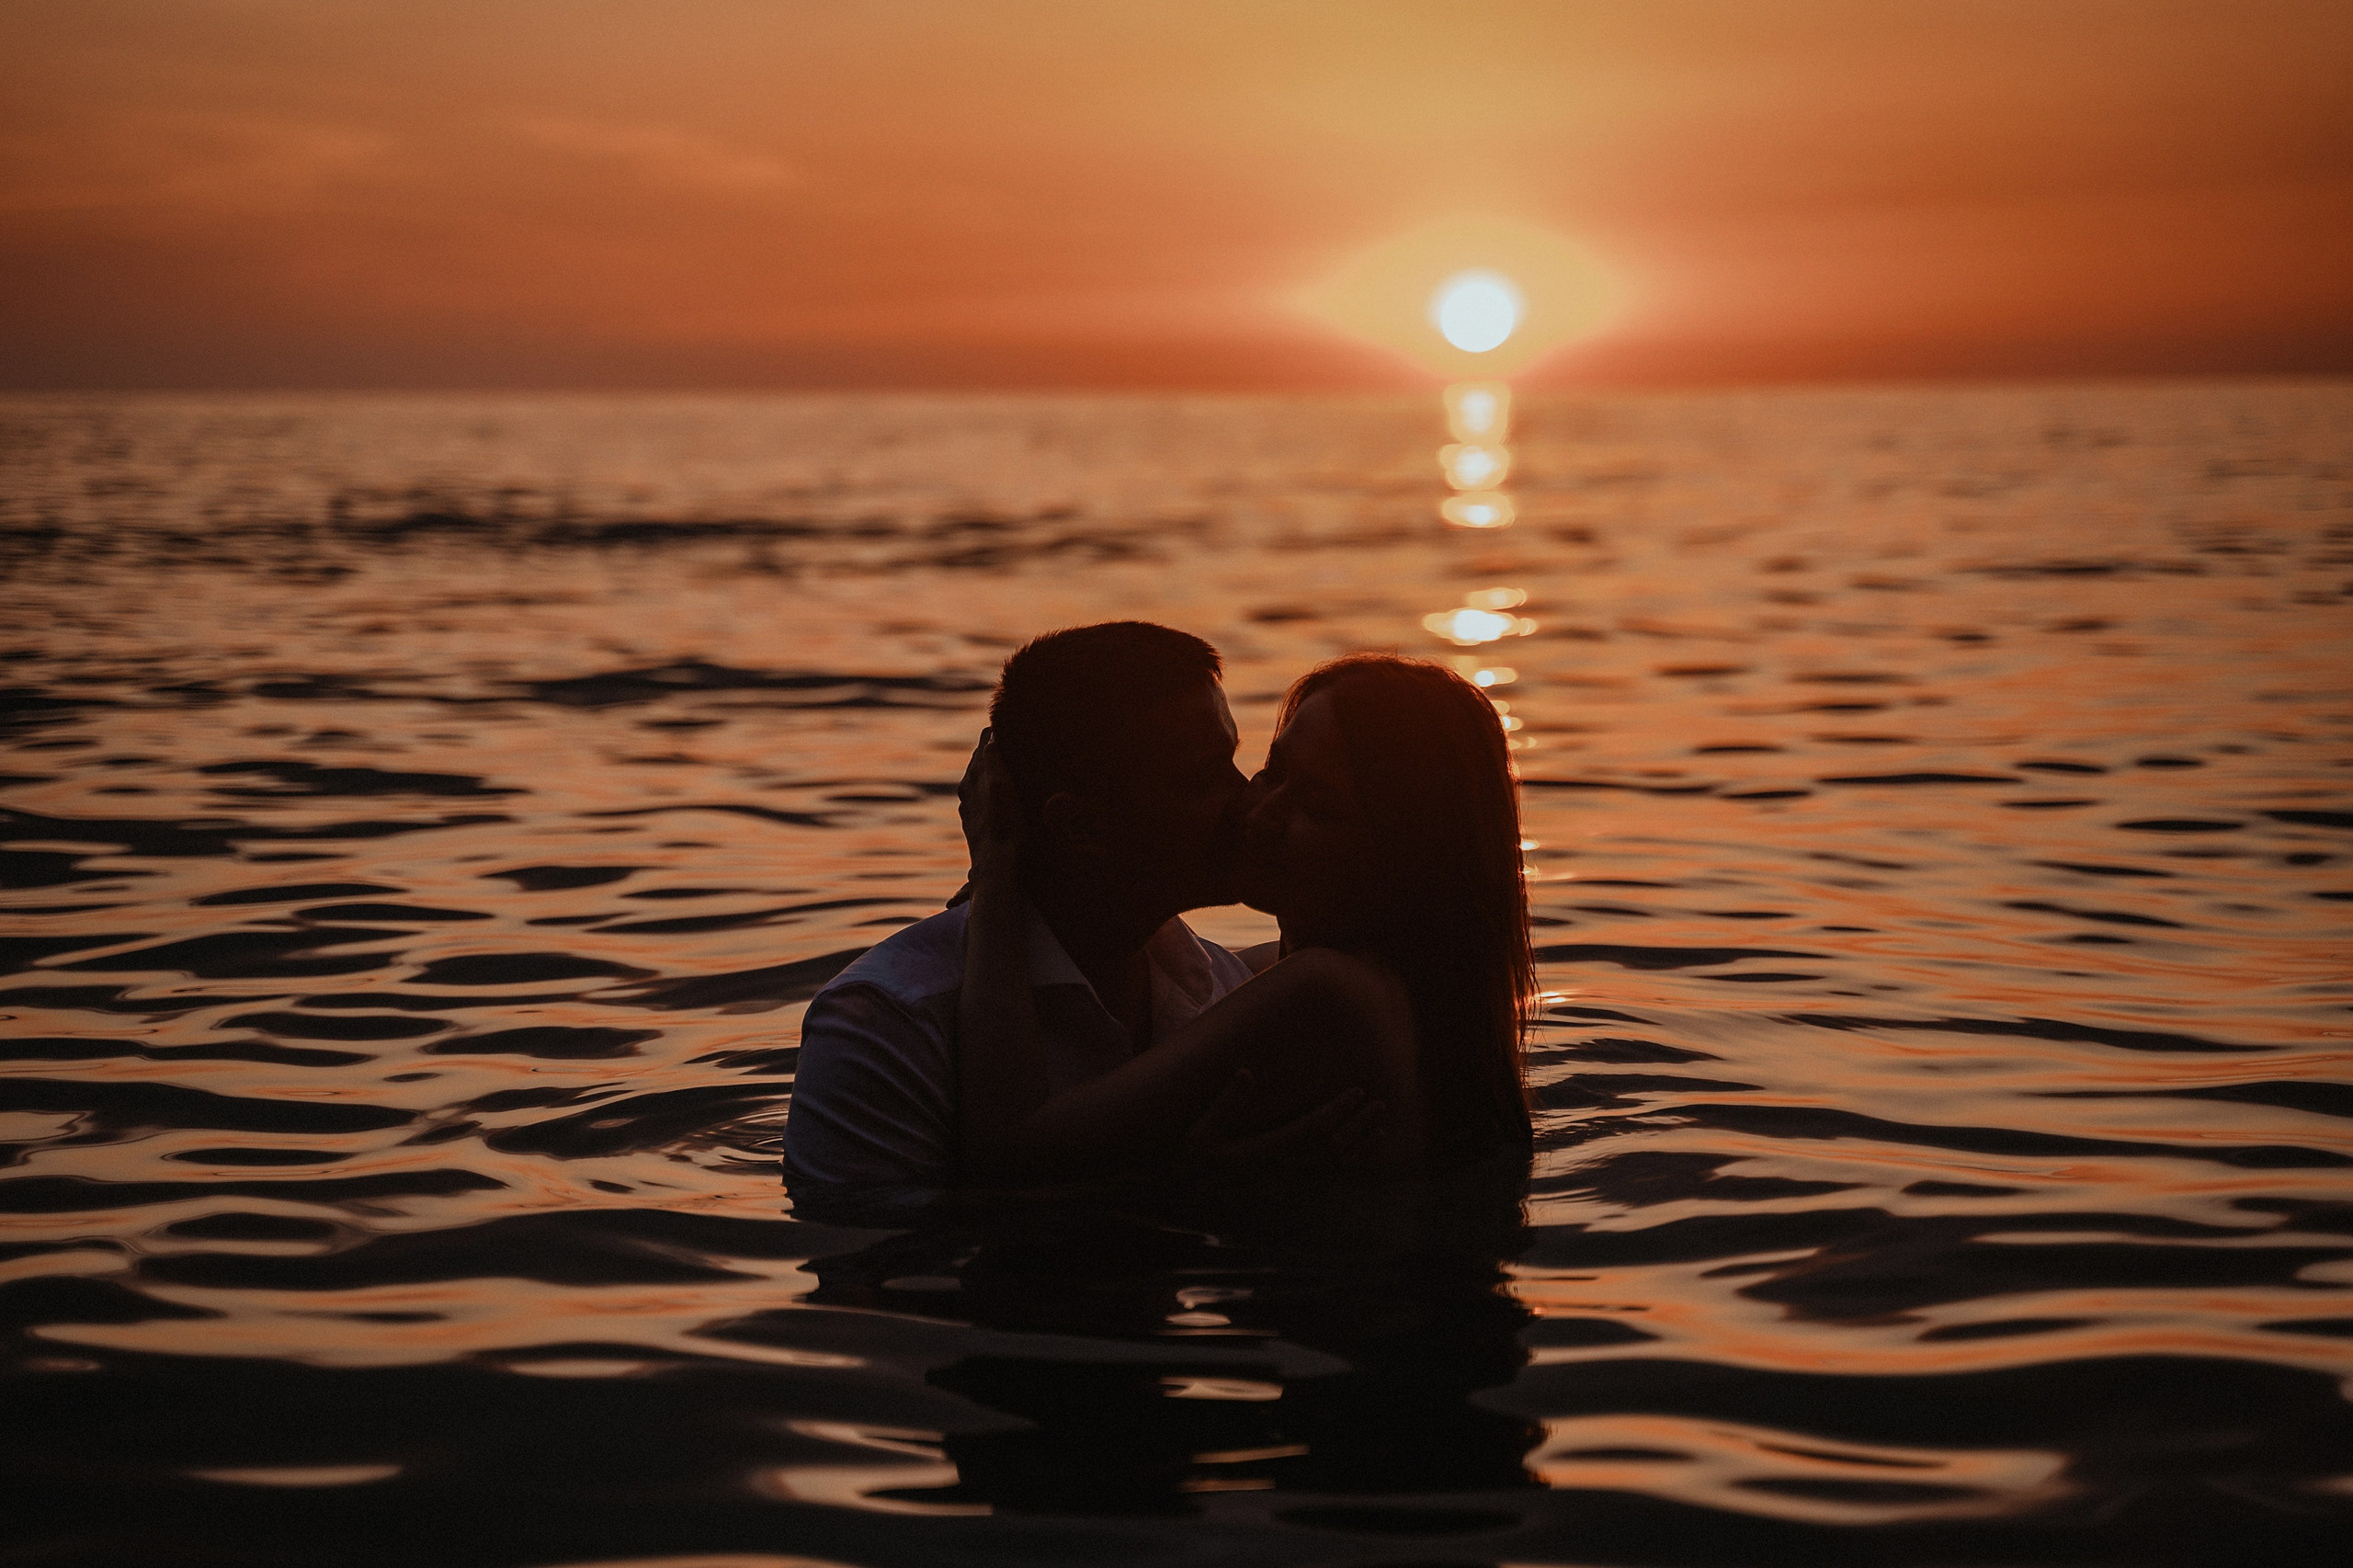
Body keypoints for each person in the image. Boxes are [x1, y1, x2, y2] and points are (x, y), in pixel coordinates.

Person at [954, 653, 1534, 1186]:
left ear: (1403, 855)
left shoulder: (1327, 988)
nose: (1260, 813)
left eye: (1318, 806)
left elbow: (1015, 1148)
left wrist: (996, 872)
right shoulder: (1396, 989)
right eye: (1273, 771)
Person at [781, 621, 1261, 1196]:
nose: (1250, 799)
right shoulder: (888, 1028)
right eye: (1204, 778)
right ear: (1080, 827)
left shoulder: (1220, 988)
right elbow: (880, 1248)